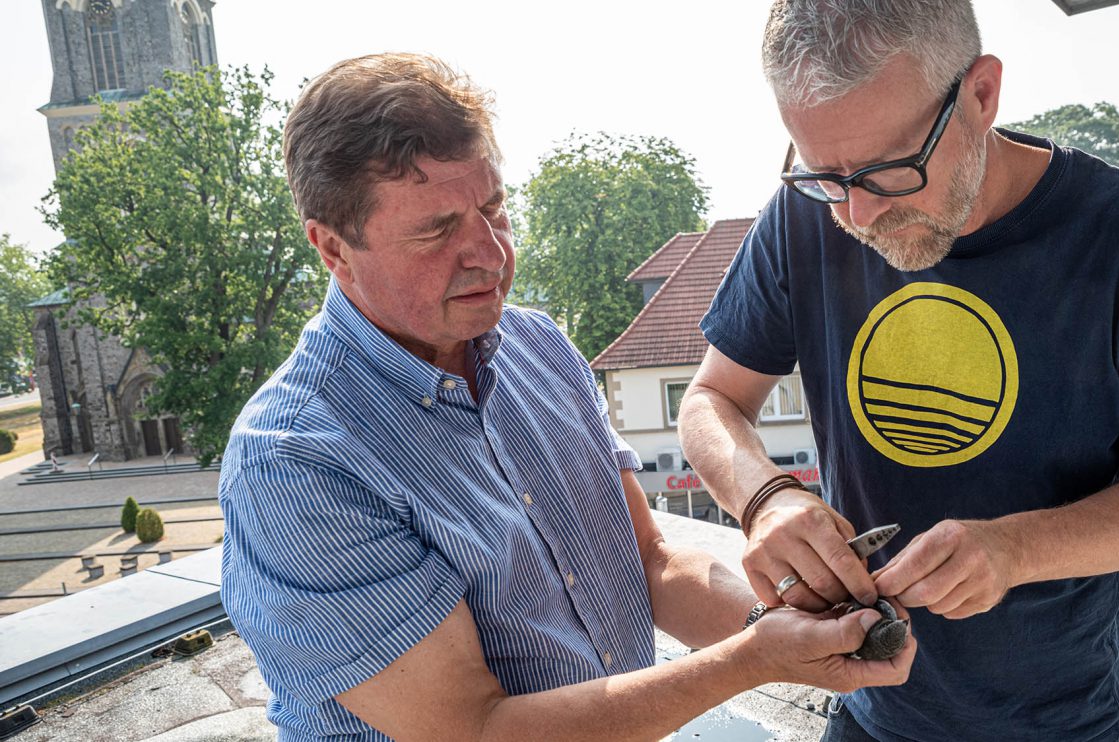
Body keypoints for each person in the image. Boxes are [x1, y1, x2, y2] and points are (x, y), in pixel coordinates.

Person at [217, 52, 916, 741]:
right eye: (436, 230)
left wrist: (792, 626)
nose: (489, 254)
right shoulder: (294, 463)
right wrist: (756, 658)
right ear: (332, 248)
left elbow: (649, 562)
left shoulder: (536, 346)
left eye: (493, 207)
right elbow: (476, 731)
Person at [678, 2, 1119, 740]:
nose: (861, 213)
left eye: (891, 170)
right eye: (825, 173)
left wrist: (1015, 549)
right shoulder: (804, 215)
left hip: (1060, 720)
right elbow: (712, 399)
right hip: (869, 710)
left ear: (981, 94)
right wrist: (766, 499)